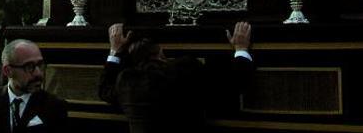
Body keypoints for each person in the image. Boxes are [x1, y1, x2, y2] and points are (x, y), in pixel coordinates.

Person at [98, 22, 254, 133]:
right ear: (160, 53)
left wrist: (114, 51)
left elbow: (104, 90)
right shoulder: (185, 71)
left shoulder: (126, 80)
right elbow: (236, 82)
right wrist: (241, 48)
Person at [0, 39, 68, 133]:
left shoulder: (55, 106)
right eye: (29, 67)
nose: (38, 73)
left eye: (40, 65)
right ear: (8, 71)